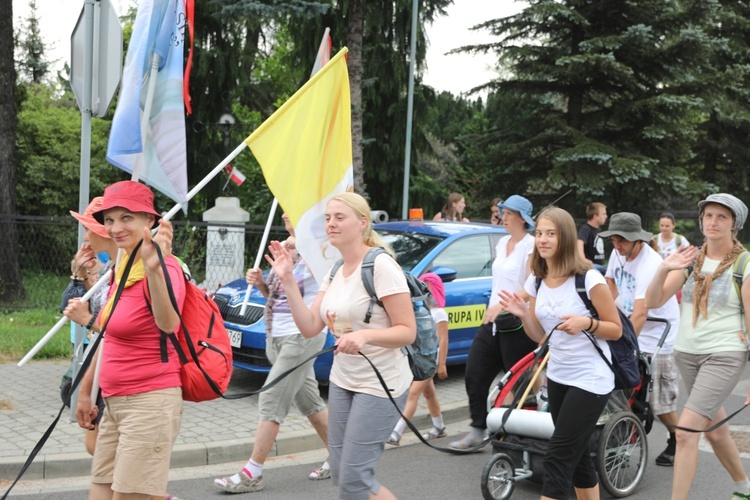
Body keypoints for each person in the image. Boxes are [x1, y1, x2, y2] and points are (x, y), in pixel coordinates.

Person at [264, 192, 416, 500]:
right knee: (344, 473)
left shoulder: (381, 266)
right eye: (328, 218)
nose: (331, 224)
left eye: (339, 217)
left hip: (381, 384)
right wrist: (288, 281)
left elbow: (407, 331)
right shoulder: (334, 270)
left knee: (355, 478)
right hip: (343, 380)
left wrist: (365, 336)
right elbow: (309, 327)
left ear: (362, 223)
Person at [63, 180, 184, 500]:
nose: (115, 227)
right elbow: (108, 337)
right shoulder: (120, 270)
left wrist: (156, 270)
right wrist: (87, 392)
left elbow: (169, 324)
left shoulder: (166, 267)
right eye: (110, 220)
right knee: (101, 493)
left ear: (150, 222)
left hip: (149, 403)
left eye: (127, 217)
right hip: (114, 401)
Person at [499, 206, 622, 500]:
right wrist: (523, 315)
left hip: (590, 378)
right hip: (558, 375)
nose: (543, 240)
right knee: (577, 457)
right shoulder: (538, 279)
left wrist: (586, 323)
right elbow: (542, 338)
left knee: (557, 458)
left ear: (565, 237)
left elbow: (615, 329)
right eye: (539, 233)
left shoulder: (588, 279)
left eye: (551, 234)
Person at [213, 213, 330, 493]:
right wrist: (263, 283)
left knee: (271, 397)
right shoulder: (289, 251)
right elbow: (278, 299)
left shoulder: (320, 254)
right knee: (310, 403)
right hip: (276, 337)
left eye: (291, 209)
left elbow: (305, 299)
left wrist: (288, 268)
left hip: (301, 337)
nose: (284, 214)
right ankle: (343, 454)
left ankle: (252, 472)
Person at [645, 193, 750, 500]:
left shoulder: (744, 265)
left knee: (687, 431)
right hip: (687, 355)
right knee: (715, 430)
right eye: (708, 216)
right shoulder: (691, 260)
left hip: (724, 354)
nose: (713, 222)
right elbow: (654, 301)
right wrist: (664, 269)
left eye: (722, 217)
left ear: (734, 225)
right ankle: (745, 488)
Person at [450, 195, 537, 450]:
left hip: (518, 322)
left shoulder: (531, 246)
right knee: (474, 373)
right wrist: (494, 306)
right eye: (503, 212)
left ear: (522, 218)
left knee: (519, 383)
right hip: (493, 321)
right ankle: (478, 430)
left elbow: (532, 286)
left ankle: (523, 436)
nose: (503, 217)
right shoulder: (502, 243)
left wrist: (505, 304)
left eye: (509, 213)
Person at [599, 212, 681, 466]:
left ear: (638, 240)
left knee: (659, 403)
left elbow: (641, 313)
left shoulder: (650, 263)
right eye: (613, 239)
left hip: (656, 334)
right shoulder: (618, 253)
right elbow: (610, 282)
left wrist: (621, 344)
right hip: (629, 326)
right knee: (620, 390)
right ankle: (618, 445)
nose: (617, 245)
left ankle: (677, 437)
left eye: (622, 240)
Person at [387, 272, 449, 446]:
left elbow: (443, 340)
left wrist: (441, 363)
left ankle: (396, 432)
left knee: (413, 393)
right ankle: (439, 427)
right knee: (429, 393)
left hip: (431, 359)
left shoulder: (439, 313)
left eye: (425, 287)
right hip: (422, 357)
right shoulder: (422, 311)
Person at [577, 202, 608, 274]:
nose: (606, 216)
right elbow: (579, 243)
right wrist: (583, 260)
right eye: (603, 214)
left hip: (601, 265)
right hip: (592, 267)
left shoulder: (598, 230)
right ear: (595, 216)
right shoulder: (586, 229)